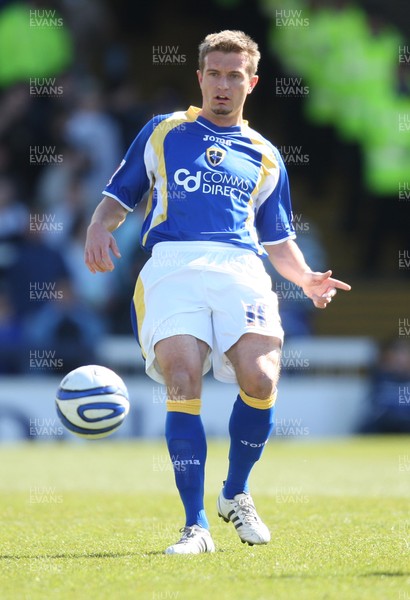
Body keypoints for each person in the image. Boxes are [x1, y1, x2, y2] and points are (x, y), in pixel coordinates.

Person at [84, 30, 351, 554]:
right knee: (182, 379)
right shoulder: (163, 131)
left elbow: (277, 239)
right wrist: (99, 226)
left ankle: (235, 493)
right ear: (200, 77)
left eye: (234, 76)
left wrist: (305, 278)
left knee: (261, 375)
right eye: (214, 74)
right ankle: (196, 526)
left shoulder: (266, 155)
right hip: (172, 265)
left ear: (252, 83)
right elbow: (119, 197)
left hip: (240, 267)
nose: (222, 85)